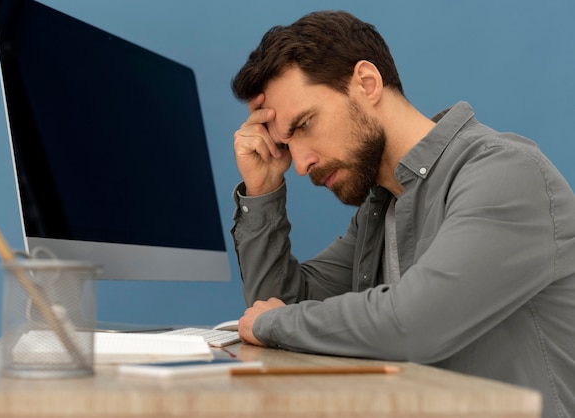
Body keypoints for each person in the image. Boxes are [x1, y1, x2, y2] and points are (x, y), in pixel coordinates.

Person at [230, 10, 575, 418]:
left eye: (304, 124)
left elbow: (416, 323)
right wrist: (264, 188)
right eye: (286, 144)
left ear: (366, 83)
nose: (301, 164)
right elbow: (278, 306)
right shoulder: (383, 208)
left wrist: (275, 323)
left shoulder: (505, 173)